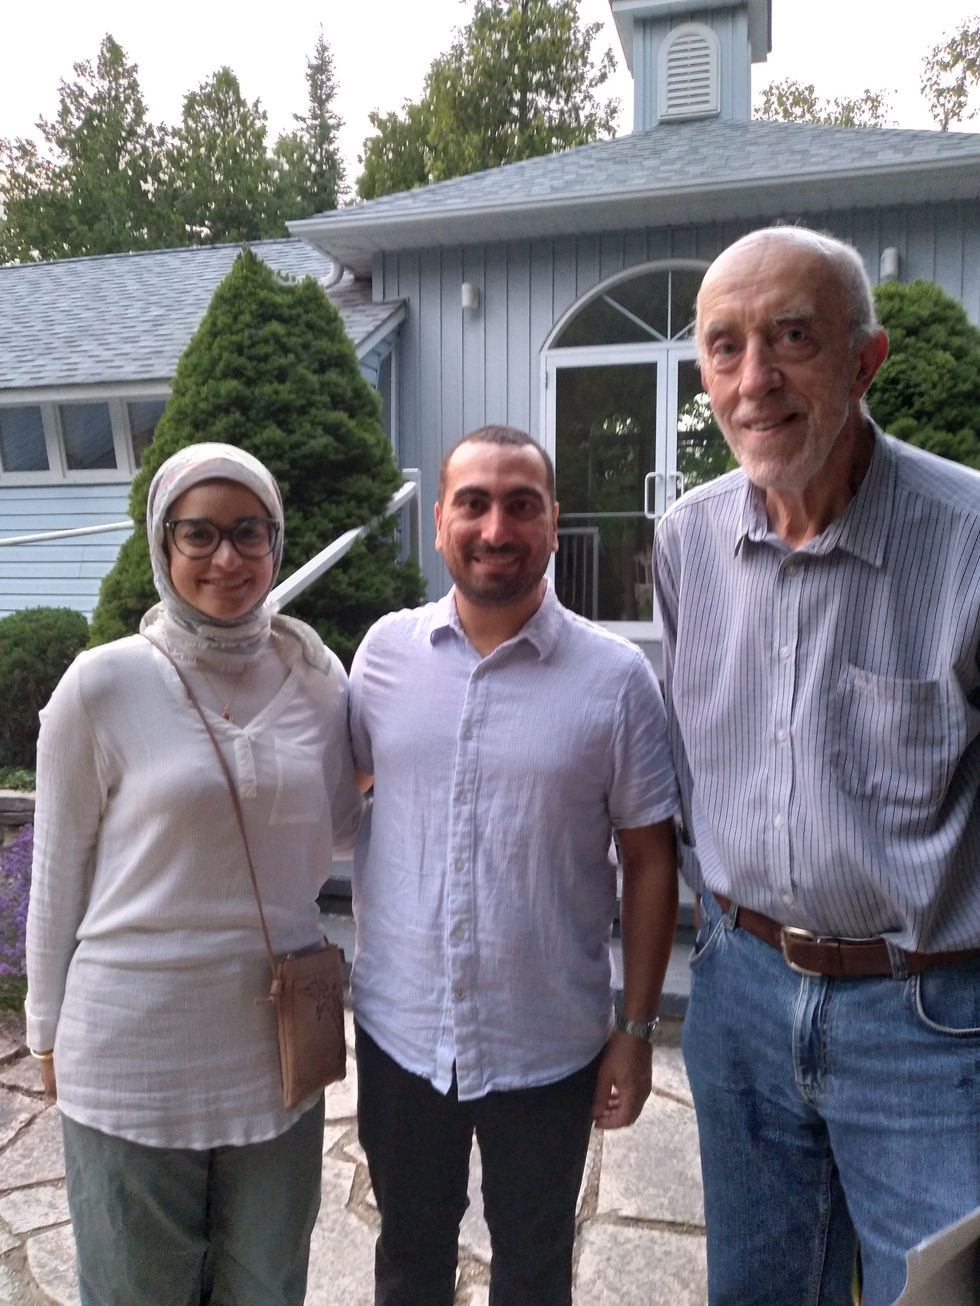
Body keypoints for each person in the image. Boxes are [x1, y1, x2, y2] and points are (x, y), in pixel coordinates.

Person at [653, 225, 980, 1306]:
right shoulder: (685, 542)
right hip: (738, 997)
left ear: (862, 360)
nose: (755, 381)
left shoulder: (967, 539)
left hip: (928, 1020)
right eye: (724, 347)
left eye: (791, 337)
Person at [25, 442, 363, 1306]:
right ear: (162, 545)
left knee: (267, 1283)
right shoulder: (102, 686)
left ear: (277, 542)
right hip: (132, 1048)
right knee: (140, 1288)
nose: (226, 557)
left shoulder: (320, 683)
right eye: (199, 534)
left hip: (275, 1054)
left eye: (249, 532)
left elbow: (341, 830)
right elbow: (57, 870)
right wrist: (44, 1029)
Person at [348, 425, 679, 1306]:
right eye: (474, 503)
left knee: (533, 1273)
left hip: (547, 1046)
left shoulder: (615, 680)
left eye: (521, 505)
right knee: (409, 1259)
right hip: (400, 1034)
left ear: (554, 523)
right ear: (439, 523)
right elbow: (333, 790)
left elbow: (651, 862)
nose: (497, 527)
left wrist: (636, 1033)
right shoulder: (382, 656)